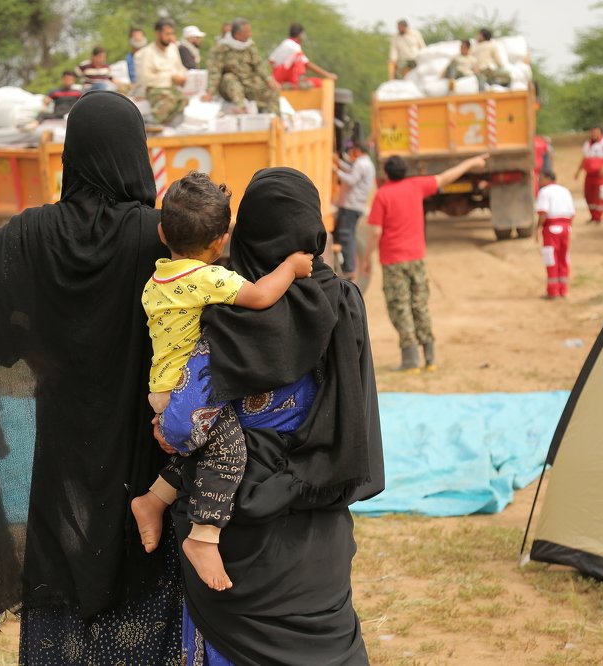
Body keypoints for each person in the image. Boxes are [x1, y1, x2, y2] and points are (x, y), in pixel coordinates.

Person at [0, 91, 183, 660]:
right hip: (147, 431)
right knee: (148, 556)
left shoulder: (33, 233)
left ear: (73, 155)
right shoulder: (160, 235)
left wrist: (29, 346)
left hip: (65, 431)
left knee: (66, 552)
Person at [160, 167, 383, 665]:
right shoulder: (344, 303)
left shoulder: (225, 311)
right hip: (316, 530)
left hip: (231, 532)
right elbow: (355, 414)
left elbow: (186, 422)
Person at [131, 172, 313, 592]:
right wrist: (290, 267)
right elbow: (262, 296)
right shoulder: (208, 279)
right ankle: (204, 535)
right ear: (221, 241)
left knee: (204, 449)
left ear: (162, 233)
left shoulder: (155, 282)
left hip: (164, 390)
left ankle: (152, 500)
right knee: (230, 452)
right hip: (190, 394)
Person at [363, 153, 489, 372]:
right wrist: (471, 162)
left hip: (393, 261)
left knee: (400, 307)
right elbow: (447, 177)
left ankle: (410, 360)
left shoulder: (382, 195)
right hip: (417, 258)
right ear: (405, 171)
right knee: (420, 305)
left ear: (386, 174)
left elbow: (375, 232)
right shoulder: (416, 186)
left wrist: (365, 258)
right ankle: (430, 358)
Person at [203, 18, 280, 115]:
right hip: (230, 87)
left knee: (270, 88)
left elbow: (258, 65)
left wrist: (268, 79)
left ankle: (274, 117)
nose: (250, 34)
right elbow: (215, 72)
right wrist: (210, 92)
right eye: (247, 32)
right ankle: (242, 109)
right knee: (229, 78)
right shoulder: (221, 49)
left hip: (248, 83)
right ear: (237, 34)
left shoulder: (250, 46)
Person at [333, 142, 375, 280]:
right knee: (348, 235)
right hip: (355, 205)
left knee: (346, 236)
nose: (350, 155)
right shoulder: (365, 163)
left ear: (357, 151)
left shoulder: (361, 164)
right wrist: (338, 163)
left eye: (352, 152)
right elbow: (351, 170)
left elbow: (351, 179)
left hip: (351, 206)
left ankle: (349, 269)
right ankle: (348, 266)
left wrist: (336, 171)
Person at [136, 18, 188, 125]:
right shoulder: (147, 52)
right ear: (158, 34)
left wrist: (185, 77)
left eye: (172, 34)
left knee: (184, 100)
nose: (170, 37)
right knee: (169, 99)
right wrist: (170, 78)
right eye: (167, 34)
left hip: (173, 89)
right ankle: (148, 122)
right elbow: (145, 79)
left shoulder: (173, 49)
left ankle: (160, 123)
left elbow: (180, 69)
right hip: (155, 89)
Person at [535, 169, 576, 298]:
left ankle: (553, 291)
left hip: (551, 229)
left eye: (540, 179)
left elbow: (543, 213)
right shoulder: (565, 191)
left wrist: (538, 228)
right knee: (564, 258)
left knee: (551, 259)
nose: (539, 181)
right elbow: (572, 213)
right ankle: (563, 289)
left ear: (547, 178)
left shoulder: (544, 192)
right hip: (566, 228)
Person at [268, 23, 337, 87]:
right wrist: (327, 75)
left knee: (317, 81)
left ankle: (290, 83)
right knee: (299, 56)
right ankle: (301, 80)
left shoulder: (284, 43)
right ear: (301, 34)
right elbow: (307, 64)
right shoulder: (295, 46)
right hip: (284, 75)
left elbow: (271, 61)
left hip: (278, 77)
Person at [575, 126, 603, 224]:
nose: (594, 134)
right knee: (589, 195)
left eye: (596, 132)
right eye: (592, 132)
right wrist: (578, 171)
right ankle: (593, 216)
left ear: (600, 132)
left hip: (600, 175)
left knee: (599, 195)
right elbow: (584, 158)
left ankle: (598, 217)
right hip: (589, 174)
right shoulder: (587, 144)